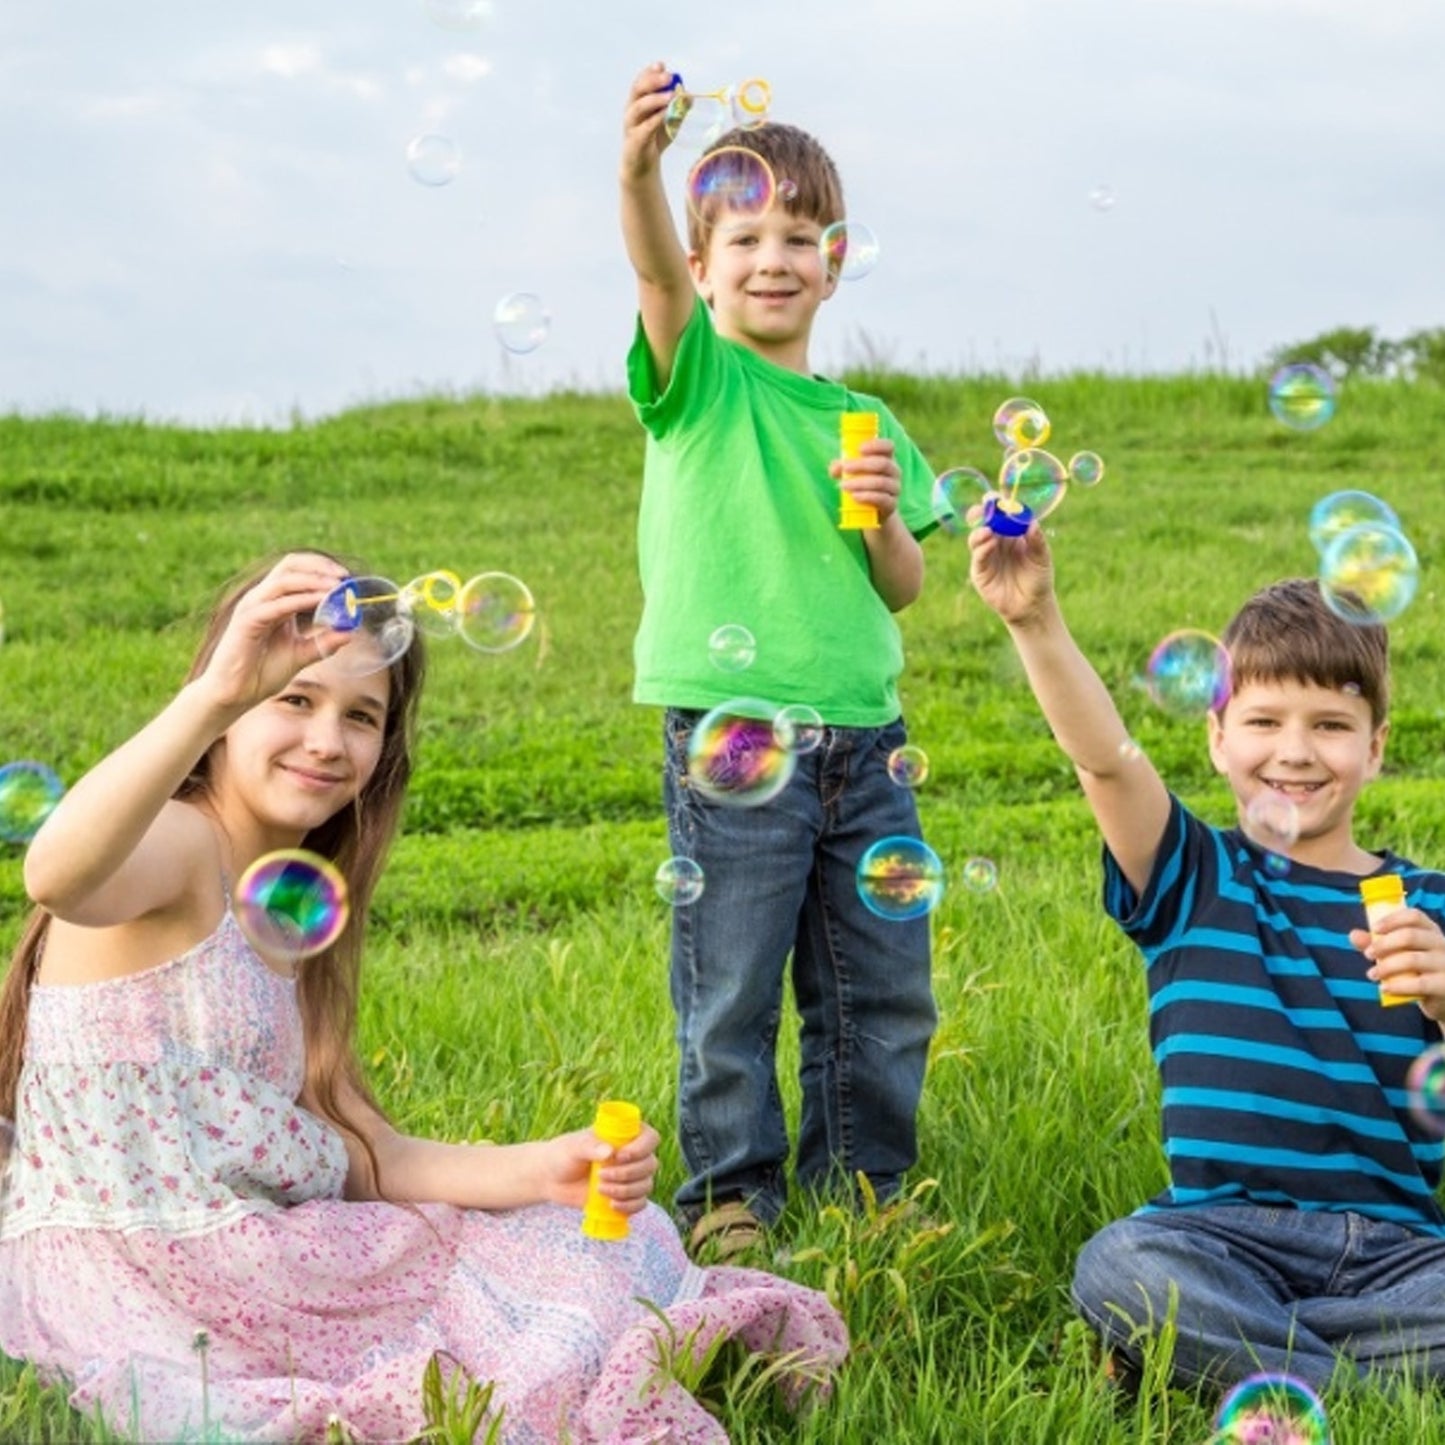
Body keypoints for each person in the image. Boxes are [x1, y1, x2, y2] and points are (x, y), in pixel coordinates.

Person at [0, 551, 847, 1444]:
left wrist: (539, 1166)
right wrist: (215, 691)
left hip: (252, 1245)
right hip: (142, 1267)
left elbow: (366, 1153)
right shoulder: (175, 841)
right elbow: (56, 874)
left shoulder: (289, 899)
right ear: (228, 703)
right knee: (504, 1323)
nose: (327, 739)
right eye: (293, 697)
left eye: (360, 716)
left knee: (605, 1241)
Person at [969, 513, 1445, 1394]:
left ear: (1375, 747)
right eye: (1263, 719)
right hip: (1216, 1237)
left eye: (1330, 725)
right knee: (1119, 1262)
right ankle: (1358, 1385)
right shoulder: (1194, 876)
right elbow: (1106, 762)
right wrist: (1033, 620)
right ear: (1216, 738)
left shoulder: (1432, 908)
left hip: (1399, 1256)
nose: (1295, 751)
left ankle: (1239, 1363)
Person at [618, 63, 943, 1259]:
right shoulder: (696, 378)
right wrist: (635, 170)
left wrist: (884, 519)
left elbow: (900, 585)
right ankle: (729, 1195)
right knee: (733, 983)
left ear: (833, 259)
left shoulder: (867, 422)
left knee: (879, 987)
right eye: (743, 235)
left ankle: (865, 1182)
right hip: (735, 723)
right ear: (702, 268)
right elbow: (647, 264)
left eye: (798, 235)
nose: (772, 256)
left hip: (863, 732)